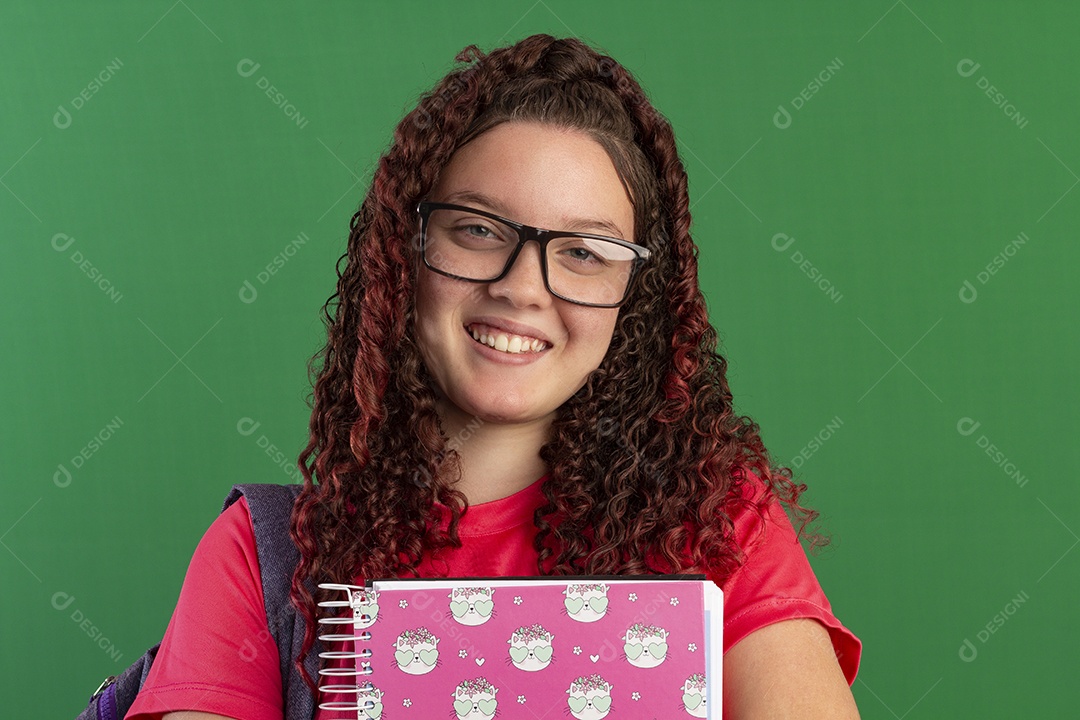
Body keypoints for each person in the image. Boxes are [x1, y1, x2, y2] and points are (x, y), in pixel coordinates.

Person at [125, 33, 862, 720]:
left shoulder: (716, 526)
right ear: (405, 250)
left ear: (635, 296)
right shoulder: (263, 560)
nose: (523, 287)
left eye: (584, 252)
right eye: (479, 230)